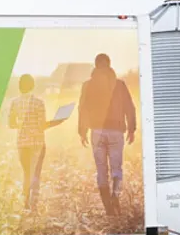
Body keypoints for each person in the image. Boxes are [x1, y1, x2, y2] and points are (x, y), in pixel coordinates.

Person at [77, 54, 136, 216]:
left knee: (101, 170)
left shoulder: (87, 85)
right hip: (116, 131)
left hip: (97, 131)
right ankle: (115, 196)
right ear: (109, 65)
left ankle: (108, 209)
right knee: (117, 168)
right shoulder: (120, 84)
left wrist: (82, 131)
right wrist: (131, 129)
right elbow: (129, 107)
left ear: (95, 66)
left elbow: (82, 109)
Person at [7, 74, 64, 212]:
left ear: (20, 86)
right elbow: (42, 126)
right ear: (32, 86)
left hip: (22, 143)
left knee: (27, 173)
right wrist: (57, 121)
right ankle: (34, 206)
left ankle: (25, 203)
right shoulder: (39, 102)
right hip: (37, 143)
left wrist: (22, 124)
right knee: (36, 173)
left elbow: (11, 124)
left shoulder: (14, 103)